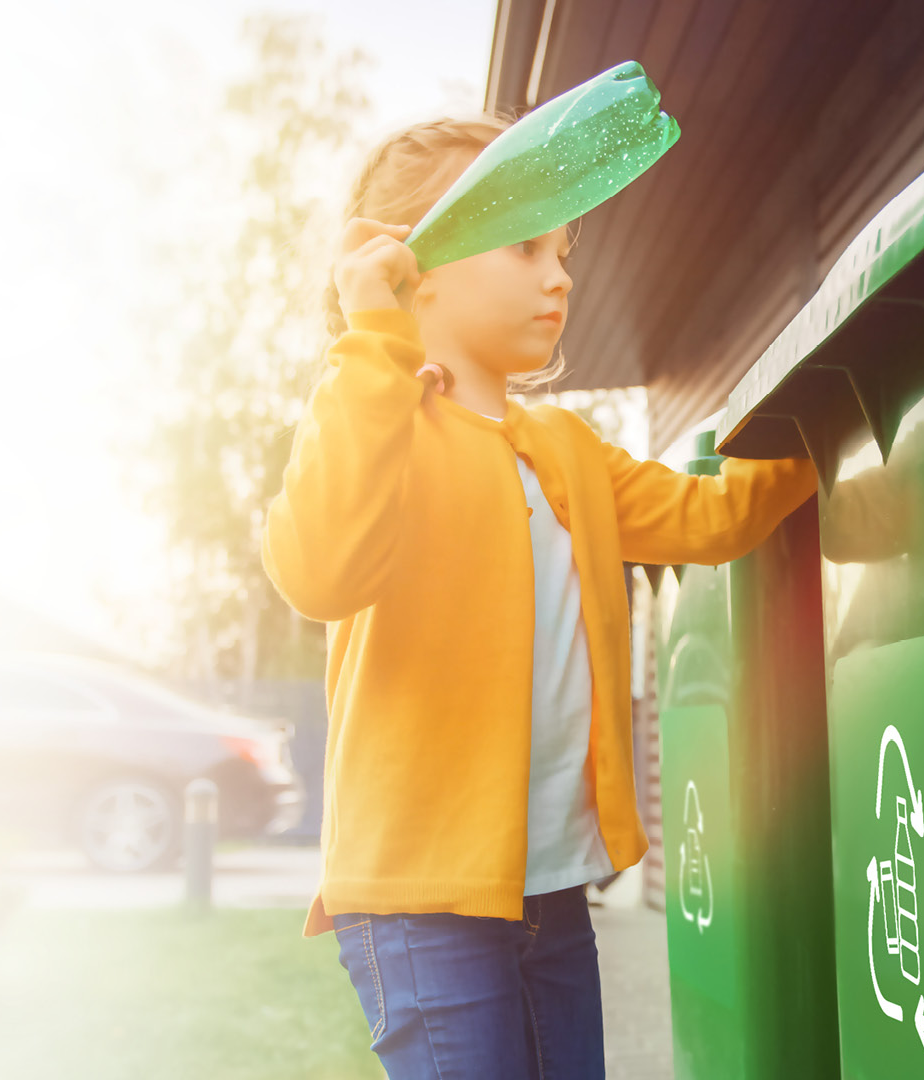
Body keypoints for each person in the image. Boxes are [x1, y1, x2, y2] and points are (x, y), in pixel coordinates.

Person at [259, 113, 818, 1079]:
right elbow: (317, 569)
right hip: (419, 900)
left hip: (550, 894)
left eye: (562, 249)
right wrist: (373, 340)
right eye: (525, 246)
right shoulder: (377, 424)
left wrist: (829, 431)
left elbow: (709, 516)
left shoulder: (565, 450)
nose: (559, 275)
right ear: (411, 267)